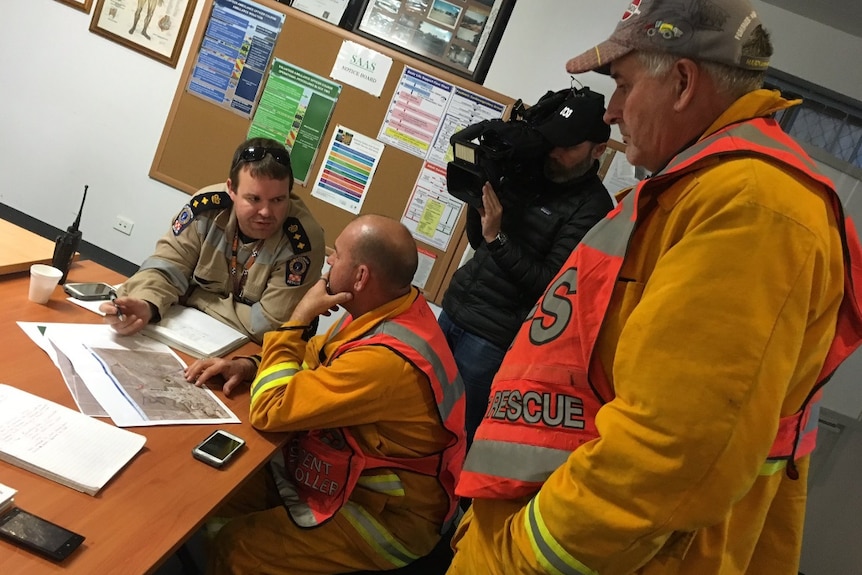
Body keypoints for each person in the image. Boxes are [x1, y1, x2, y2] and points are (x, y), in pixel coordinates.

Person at [448, 0, 862, 574]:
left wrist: (515, 557)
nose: (612, 112)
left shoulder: (752, 205)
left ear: (684, 82)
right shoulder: (696, 189)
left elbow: (670, 454)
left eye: (622, 85)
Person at [187, 215, 466, 575]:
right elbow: (318, 358)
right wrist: (251, 364)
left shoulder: (385, 361)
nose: (329, 260)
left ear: (361, 276)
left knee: (240, 549)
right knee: (217, 492)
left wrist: (298, 316)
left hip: (387, 517)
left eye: (338, 255)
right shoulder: (388, 309)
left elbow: (270, 409)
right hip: (345, 477)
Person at [438, 88, 613, 445]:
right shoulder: (528, 169)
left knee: (457, 435)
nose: (555, 152)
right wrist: (482, 193)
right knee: (411, 412)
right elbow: (478, 238)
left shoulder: (593, 208)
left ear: (598, 150)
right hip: (454, 309)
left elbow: (549, 285)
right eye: (552, 142)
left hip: (492, 339)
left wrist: (498, 237)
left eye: (568, 147)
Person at [101, 137, 325, 345]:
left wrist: (191, 295)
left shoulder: (303, 241)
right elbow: (165, 267)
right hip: (187, 337)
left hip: (249, 354)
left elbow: (268, 325)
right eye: (254, 199)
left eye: (278, 199)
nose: (266, 212)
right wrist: (147, 303)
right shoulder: (206, 209)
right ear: (231, 189)